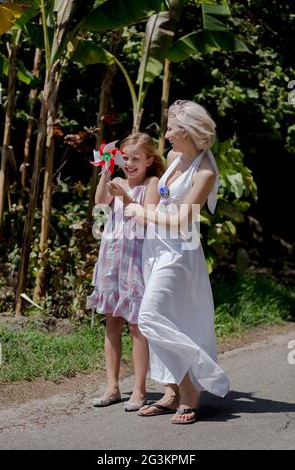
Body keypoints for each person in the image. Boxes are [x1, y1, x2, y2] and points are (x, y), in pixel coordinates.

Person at [124, 100, 230, 424]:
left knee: (150, 316)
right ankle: (171, 391)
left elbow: (183, 219)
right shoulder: (174, 157)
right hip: (155, 248)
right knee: (170, 318)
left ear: (187, 130)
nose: (167, 134)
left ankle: (190, 388)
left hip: (179, 253)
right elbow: (160, 200)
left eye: (171, 128)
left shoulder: (205, 171)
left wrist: (142, 212)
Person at [87, 132, 165, 411]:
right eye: (125, 158)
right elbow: (99, 205)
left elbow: (149, 217)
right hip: (111, 257)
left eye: (135, 158)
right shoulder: (116, 181)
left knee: (137, 324)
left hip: (136, 259)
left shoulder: (152, 183)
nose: (129, 163)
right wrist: (106, 173)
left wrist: (128, 198)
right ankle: (112, 386)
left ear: (149, 160)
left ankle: (140, 389)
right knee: (112, 321)